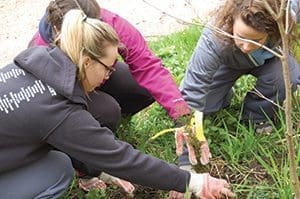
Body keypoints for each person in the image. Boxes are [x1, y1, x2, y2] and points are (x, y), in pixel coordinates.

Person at [0, 9, 234, 199]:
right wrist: (194, 182)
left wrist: (102, 170)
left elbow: (78, 142)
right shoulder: (57, 110)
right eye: (108, 67)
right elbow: (121, 158)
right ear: (87, 61)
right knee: (58, 170)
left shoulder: (34, 65)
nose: (110, 74)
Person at [179, 0, 300, 166]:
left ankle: (256, 115)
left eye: (256, 40)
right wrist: (186, 159)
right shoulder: (215, 36)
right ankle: (224, 94)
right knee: (203, 106)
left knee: (289, 76)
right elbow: (192, 91)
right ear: (231, 21)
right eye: (241, 37)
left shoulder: (285, 15)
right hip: (228, 61)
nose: (246, 46)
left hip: (270, 62)